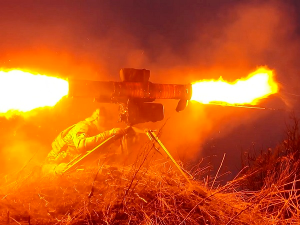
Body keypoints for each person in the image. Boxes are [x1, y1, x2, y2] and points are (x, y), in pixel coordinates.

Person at [44, 107, 127, 175]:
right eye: (106, 120)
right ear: (97, 117)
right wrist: (109, 133)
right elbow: (81, 144)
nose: (107, 123)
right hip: (54, 167)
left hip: (69, 168)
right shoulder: (83, 126)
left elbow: (111, 153)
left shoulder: (97, 133)